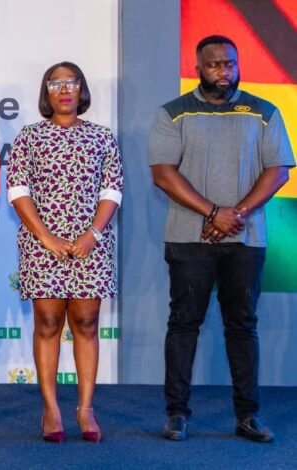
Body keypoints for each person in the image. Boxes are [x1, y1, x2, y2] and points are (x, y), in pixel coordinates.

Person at [149, 35, 294, 443]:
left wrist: (236, 214)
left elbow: (278, 170)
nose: (223, 72)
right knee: (183, 325)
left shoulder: (264, 112)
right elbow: (163, 174)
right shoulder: (172, 114)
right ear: (198, 68)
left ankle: (247, 416)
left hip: (244, 240)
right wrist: (214, 213)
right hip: (187, 238)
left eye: (229, 64)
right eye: (213, 65)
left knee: (242, 326)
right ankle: (176, 413)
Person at [6, 62, 123, 443]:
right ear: (47, 92)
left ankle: (86, 409)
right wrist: (47, 237)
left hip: (91, 244)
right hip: (43, 246)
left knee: (87, 324)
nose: (64, 89)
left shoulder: (103, 137)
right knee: (48, 324)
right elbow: (17, 191)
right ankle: (51, 408)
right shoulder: (29, 137)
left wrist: (92, 233)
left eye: (71, 82)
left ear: (81, 89)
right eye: (56, 83)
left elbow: (112, 192)